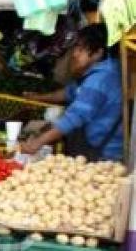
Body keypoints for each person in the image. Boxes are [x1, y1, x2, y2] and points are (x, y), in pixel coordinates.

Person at [20, 23, 122, 161]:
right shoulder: (101, 72)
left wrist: (38, 142)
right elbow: (69, 92)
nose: (74, 54)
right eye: (76, 48)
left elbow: (74, 117)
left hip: (106, 154)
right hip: (98, 147)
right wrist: (37, 97)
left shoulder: (100, 80)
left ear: (98, 53)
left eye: (81, 49)